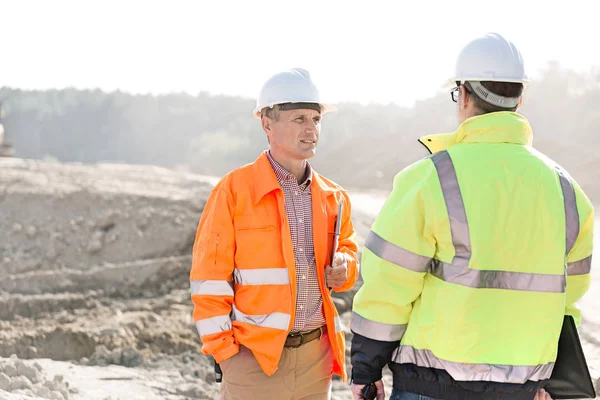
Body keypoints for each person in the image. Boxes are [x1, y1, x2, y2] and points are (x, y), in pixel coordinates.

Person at [349, 32, 593, 400]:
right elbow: (568, 300)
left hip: (431, 384)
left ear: (463, 95)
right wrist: (549, 379)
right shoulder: (567, 192)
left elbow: (389, 285)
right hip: (523, 389)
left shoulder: (431, 178)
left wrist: (366, 369)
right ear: (519, 98)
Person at [190, 68, 359, 400]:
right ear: (267, 123)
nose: (311, 129)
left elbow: (349, 252)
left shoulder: (333, 197)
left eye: (315, 119)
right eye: (299, 119)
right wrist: (226, 354)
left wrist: (346, 267)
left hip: (315, 358)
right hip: (253, 360)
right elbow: (208, 279)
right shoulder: (234, 190)